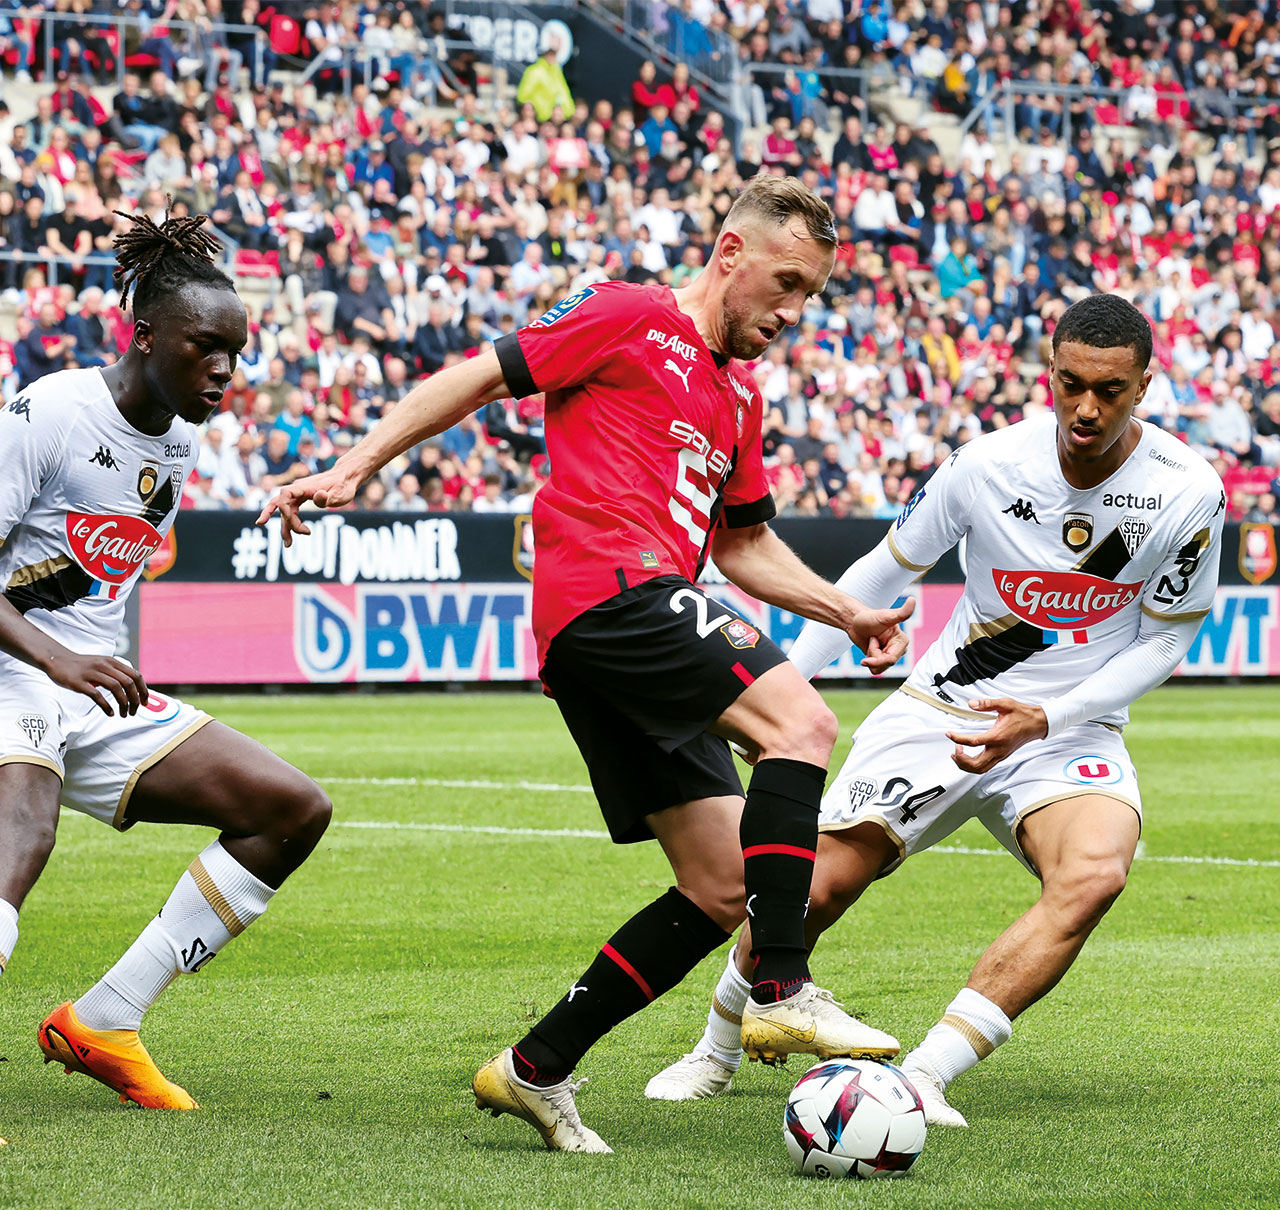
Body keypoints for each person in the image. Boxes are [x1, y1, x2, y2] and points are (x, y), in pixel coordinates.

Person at [261, 175, 913, 1153]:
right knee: (803, 724)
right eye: (783, 283)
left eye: (808, 295)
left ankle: (534, 1065)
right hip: (609, 593)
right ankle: (779, 986)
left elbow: (739, 548)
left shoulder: (737, 396)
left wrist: (844, 607)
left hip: (639, 615)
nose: (790, 311)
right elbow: (480, 374)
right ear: (729, 255)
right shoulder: (626, 314)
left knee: (718, 881)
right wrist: (360, 463)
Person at [647, 295, 1226, 1127]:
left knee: (1095, 874)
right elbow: (881, 575)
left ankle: (923, 1077)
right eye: (1070, 385)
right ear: (1049, 373)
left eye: (1110, 390)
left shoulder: (1187, 491)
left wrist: (1050, 718)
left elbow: (1164, 643)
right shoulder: (984, 465)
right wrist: (783, 693)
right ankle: (716, 1050)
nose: (1087, 408)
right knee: (813, 892)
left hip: (1068, 729)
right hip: (940, 709)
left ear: (1145, 386)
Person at [0, 207, 331, 1133]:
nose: (226, 371)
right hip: (16, 666)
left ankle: (105, 1019)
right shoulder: (49, 412)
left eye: (237, 352)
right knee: (21, 838)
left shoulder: (179, 440)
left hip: (89, 685)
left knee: (289, 811)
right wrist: (60, 659)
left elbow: (90, 573)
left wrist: (86, 663)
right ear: (143, 335)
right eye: (207, 349)